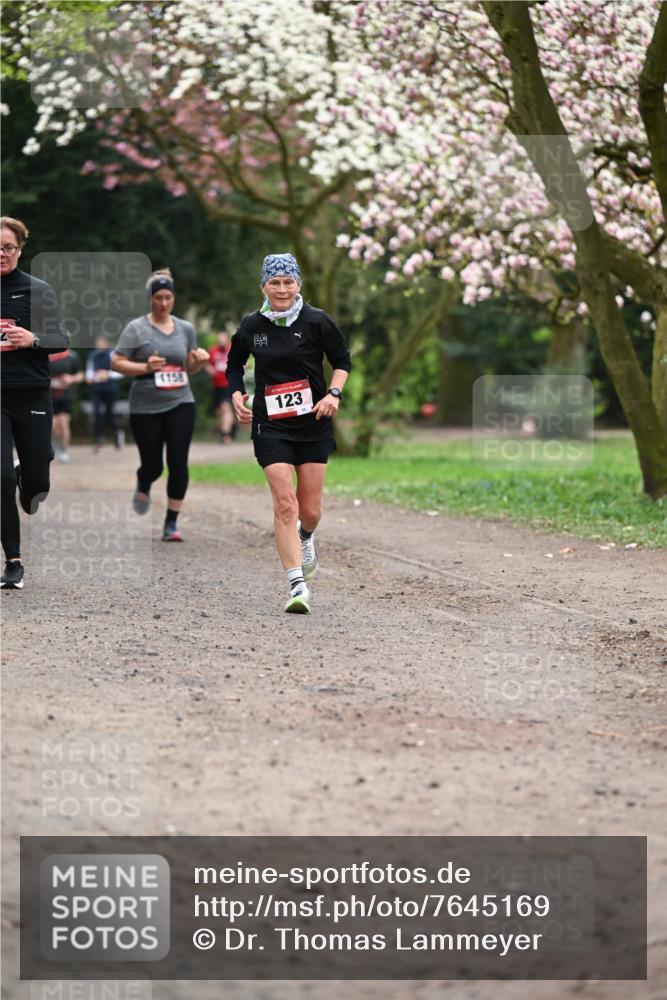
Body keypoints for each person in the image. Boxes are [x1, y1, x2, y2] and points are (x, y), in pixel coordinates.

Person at [227, 252, 351, 614]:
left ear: (298, 284)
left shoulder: (317, 321)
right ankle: (297, 585)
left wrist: (334, 393)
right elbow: (234, 363)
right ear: (263, 285)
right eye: (274, 282)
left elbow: (342, 361)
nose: (282, 289)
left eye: (288, 282)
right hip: (270, 424)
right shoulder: (252, 325)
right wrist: (236, 394)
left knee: (309, 511)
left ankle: (306, 536)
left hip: (312, 423)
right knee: (285, 503)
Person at [111, 268, 209, 541]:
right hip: (145, 404)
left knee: (178, 462)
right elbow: (116, 361)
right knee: (153, 465)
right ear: (150, 298)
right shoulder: (137, 328)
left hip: (181, 401)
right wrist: (145, 365)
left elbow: (188, 367)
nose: (163, 303)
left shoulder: (185, 329)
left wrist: (198, 363)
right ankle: (144, 481)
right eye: (158, 298)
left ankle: (171, 523)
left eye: (168, 297)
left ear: (173, 298)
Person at [0, 216, 69, 589]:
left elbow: (61, 338)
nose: (1, 254)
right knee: (1, 476)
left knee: (37, 480)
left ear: (20, 249)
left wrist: (33, 339)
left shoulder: (37, 290)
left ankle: (31, 478)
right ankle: (13, 561)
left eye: (8, 247)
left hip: (31, 393)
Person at [86, 334, 124, 450]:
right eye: (98, 344)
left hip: (110, 389)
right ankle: (98, 438)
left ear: (106, 344)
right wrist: (92, 377)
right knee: (96, 413)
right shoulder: (92, 355)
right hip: (97, 389)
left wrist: (108, 374)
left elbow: (120, 372)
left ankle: (118, 433)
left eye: (102, 343)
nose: (100, 346)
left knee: (109, 415)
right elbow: (89, 373)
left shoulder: (113, 355)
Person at [49, 346, 84, 463]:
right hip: (49, 396)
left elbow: (80, 375)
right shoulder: (47, 355)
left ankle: (63, 451)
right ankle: (55, 445)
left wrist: (71, 378)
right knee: (53, 425)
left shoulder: (72, 356)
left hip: (66, 396)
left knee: (63, 424)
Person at [207, 330, 235, 444]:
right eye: (220, 339)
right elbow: (205, 363)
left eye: (223, 339)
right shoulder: (212, 351)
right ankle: (232, 427)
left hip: (229, 384)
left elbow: (244, 362)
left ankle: (225, 436)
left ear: (227, 339)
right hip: (217, 386)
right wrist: (209, 369)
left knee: (225, 407)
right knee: (220, 411)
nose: (221, 341)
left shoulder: (232, 350)